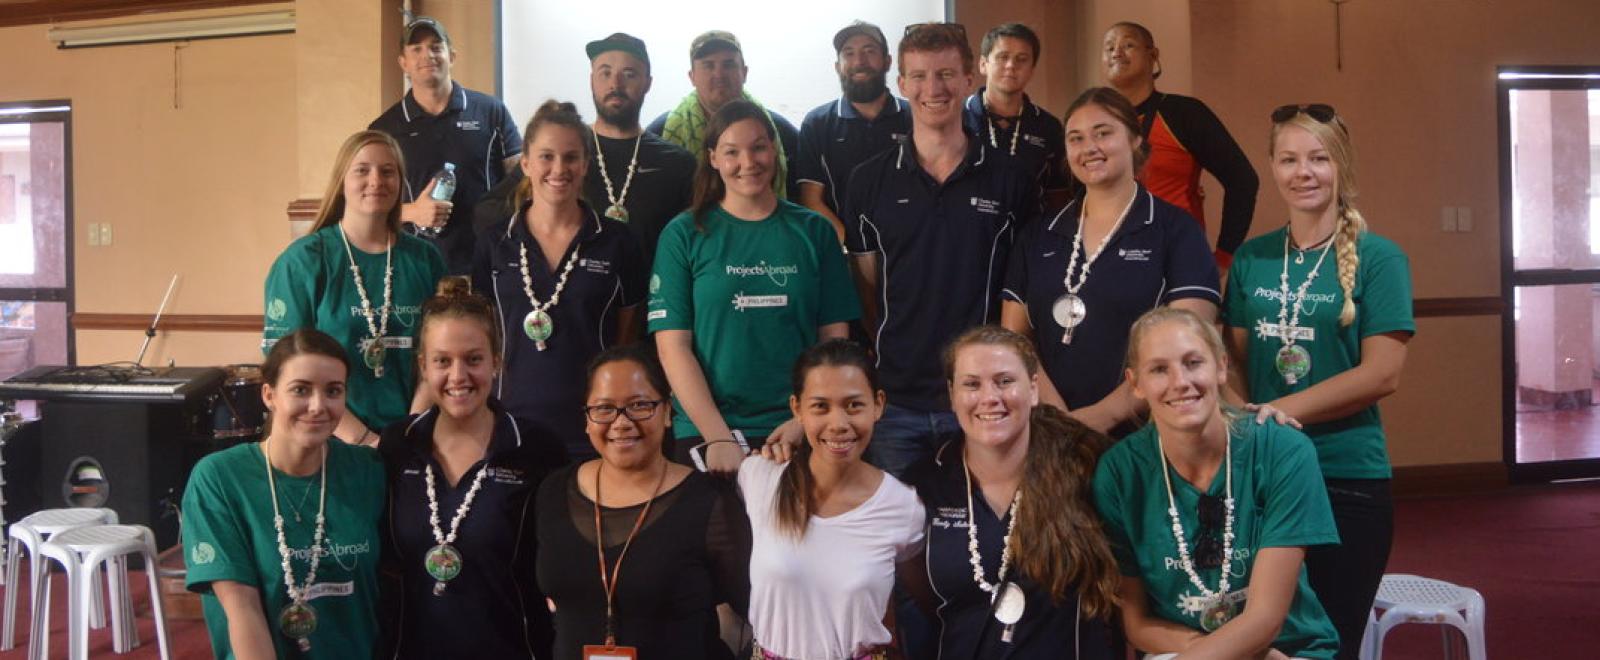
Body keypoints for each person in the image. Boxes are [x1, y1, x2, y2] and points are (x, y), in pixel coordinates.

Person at [1222, 104, 1414, 660]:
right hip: (1259, 475)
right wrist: (1246, 420)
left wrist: (1277, 414)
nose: (1302, 172)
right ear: (1274, 169)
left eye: (1318, 158)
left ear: (1342, 167)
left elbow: (1383, 372)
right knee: (1262, 639)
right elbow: (1230, 362)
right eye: (1288, 159)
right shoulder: (1254, 258)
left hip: (1346, 477)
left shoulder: (1381, 258)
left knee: (1329, 644)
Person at [843, 22, 1037, 479]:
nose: (934, 88)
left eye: (947, 74)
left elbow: (1022, 293)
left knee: (986, 537)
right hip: (896, 401)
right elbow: (868, 288)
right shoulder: (867, 182)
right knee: (899, 544)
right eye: (921, 76)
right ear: (902, 83)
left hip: (982, 400)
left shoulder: (1011, 179)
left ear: (970, 79)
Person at [1094, 307, 1341, 659]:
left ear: (1221, 366)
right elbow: (1136, 624)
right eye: (1159, 369)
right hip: (1187, 649)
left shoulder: (1282, 450)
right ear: (1136, 384)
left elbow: (1266, 618)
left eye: (1194, 362)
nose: (1181, 381)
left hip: (1287, 650)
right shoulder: (1119, 473)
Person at [649, 100, 860, 472]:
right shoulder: (683, 234)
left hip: (800, 429)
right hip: (707, 431)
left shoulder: (815, 232)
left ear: (775, 150)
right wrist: (717, 436)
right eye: (732, 151)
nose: (748, 162)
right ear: (713, 158)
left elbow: (834, 344)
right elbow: (673, 349)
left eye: (759, 146)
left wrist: (806, 420)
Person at [1000, 87, 1218, 435]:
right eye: (1076, 138)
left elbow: (1189, 342)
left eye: (1103, 133)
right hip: (1052, 435)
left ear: (1134, 140)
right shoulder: (1039, 233)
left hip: (1148, 434)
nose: (1089, 148)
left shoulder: (1175, 230)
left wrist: (1105, 415)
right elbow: (1014, 340)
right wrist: (1059, 418)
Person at [376, 279, 568, 659]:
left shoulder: (536, 448)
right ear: (423, 367)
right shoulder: (398, 445)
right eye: (442, 361)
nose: (458, 376)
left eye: (474, 359)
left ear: (496, 361)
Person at [901, 326, 1119, 658]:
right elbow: (926, 597)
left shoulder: (1086, 467)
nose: (990, 397)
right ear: (952, 394)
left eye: (1005, 381)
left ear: (1033, 389)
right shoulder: (923, 483)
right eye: (972, 384)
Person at [536, 345, 752, 660]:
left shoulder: (710, 501)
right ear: (586, 417)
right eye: (604, 408)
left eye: (639, 405)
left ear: (667, 412)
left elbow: (756, 607)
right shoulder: (553, 491)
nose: (621, 422)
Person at [183, 328, 386, 658]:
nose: (318, 406)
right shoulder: (220, 478)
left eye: (333, 391)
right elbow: (241, 607)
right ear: (269, 395)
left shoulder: (368, 469)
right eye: (301, 390)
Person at [472, 100, 647, 461]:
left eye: (570, 158)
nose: (558, 169)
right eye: (546, 157)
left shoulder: (617, 242)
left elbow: (626, 339)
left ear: (585, 164)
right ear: (526, 163)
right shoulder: (495, 243)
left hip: (594, 427)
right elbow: (481, 337)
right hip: (509, 424)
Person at [738, 339, 924, 659]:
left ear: (878, 405)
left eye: (853, 405)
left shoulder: (903, 507)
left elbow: (925, 602)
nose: (838, 424)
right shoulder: (759, 476)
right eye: (820, 406)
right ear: (797, 409)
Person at [263, 130, 447, 445]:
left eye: (388, 171)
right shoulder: (303, 262)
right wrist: (362, 439)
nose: (376, 181)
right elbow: (285, 367)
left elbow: (441, 354)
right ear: (342, 181)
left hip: (414, 437)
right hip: (326, 438)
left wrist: (408, 430)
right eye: (362, 170)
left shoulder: (425, 259)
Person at [370, 16, 522, 275]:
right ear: (403, 63)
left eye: (435, 46)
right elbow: (368, 207)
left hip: (490, 262)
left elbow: (522, 179)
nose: (427, 55)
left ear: (451, 56)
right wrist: (412, 212)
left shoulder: (491, 111)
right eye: (416, 49)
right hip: (416, 267)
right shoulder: (384, 129)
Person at [1103, 21, 1257, 270]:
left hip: (1175, 259)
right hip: (1110, 259)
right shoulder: (1097, 120)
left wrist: (1225, 255)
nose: (1116, 53)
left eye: (1128, 45)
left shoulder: (1184, 113)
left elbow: (1243, 180)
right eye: (1109, 47)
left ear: (1153, 55)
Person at [647, 30, 801, 199]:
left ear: (744, 73)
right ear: (692, 76)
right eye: (708, 65)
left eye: (728, 64)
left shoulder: (781, 132)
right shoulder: (660, 134)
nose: (719, 75)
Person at [796, 21, 911, 242]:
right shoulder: (817, 124)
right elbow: (811, 200)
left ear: (887, 62)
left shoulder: (914, 117)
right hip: (844, 255)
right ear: (837, 66)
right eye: (849, 53)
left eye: (870, 51)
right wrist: (852, 251)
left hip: (911, 253)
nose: (859, 61)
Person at [963, 22, 1071, 207]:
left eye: (1021, 59)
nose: (1011, 65)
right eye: (1002, 57)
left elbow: (1058, 195)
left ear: (1032, 70)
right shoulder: (957, 117)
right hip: (966, 232)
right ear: (983, 64)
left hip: (1031, 232)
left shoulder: (1049, 127)